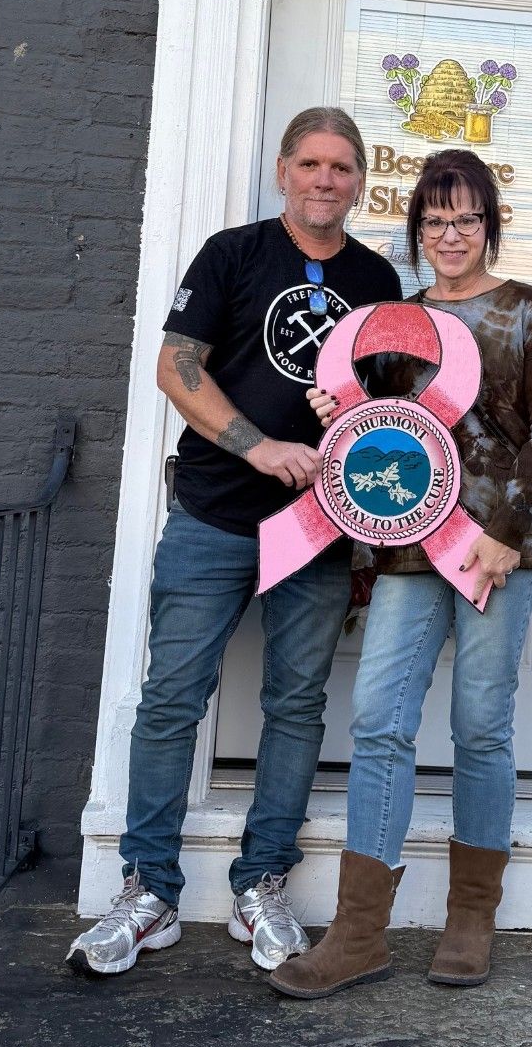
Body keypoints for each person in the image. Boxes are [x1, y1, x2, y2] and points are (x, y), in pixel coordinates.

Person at [68, 108, 402, 978]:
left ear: (359, 181)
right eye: (310, 164)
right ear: (283, 171)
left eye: (341, 167)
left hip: (320, 525)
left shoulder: (377, 280)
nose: (325, 180)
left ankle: (262, 883)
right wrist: (259, 446)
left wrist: (356, 426)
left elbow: (390, 405)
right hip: (215, 512)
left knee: (296, 705)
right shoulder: (232, 254)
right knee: (172, 698)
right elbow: (176, 367)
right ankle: (149, 891)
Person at [272, 148, 532, 1000]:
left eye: (465, 218)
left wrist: (508, 531)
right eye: (435, 220)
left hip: (501, 550)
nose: (450, 235)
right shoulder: (395, 323)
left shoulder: (529, 309)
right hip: (411, 547)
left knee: (480, 725)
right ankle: (359, 933)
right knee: (379, 720)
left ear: (489, 226)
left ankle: (470, 918)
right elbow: (377, 428)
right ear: (416, 232)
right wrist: (336, 409)